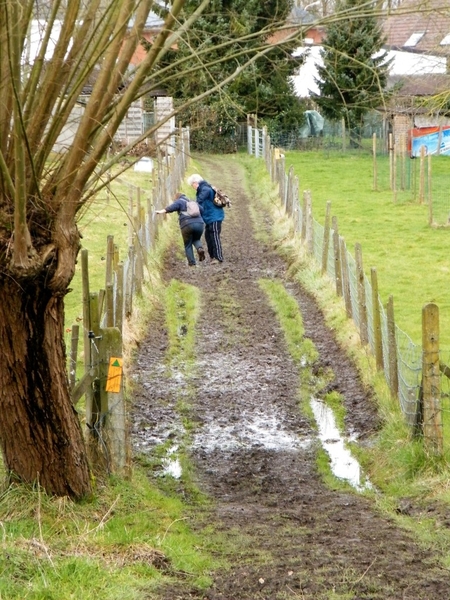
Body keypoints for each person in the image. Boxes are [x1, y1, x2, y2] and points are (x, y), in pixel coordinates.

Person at [155, 193, 205, 267]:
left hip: (187, 225)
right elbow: (202, 210)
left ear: (177, 198)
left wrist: (160, 211)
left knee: (188, 244)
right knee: (196, 239)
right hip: (200, 224)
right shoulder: (193, 202)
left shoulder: (179, 201)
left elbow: (171, 208)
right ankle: (200, 248)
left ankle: (192, 263)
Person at [187, 173, 224, 264]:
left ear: (195, 183)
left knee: (214, 237)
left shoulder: (205, 189)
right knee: (208, 237)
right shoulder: (204, 188)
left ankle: (218, 257)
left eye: (192, 185)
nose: (193, 187)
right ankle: (212, 256)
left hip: (214, 216)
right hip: (209, 217)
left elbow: (199, 201)